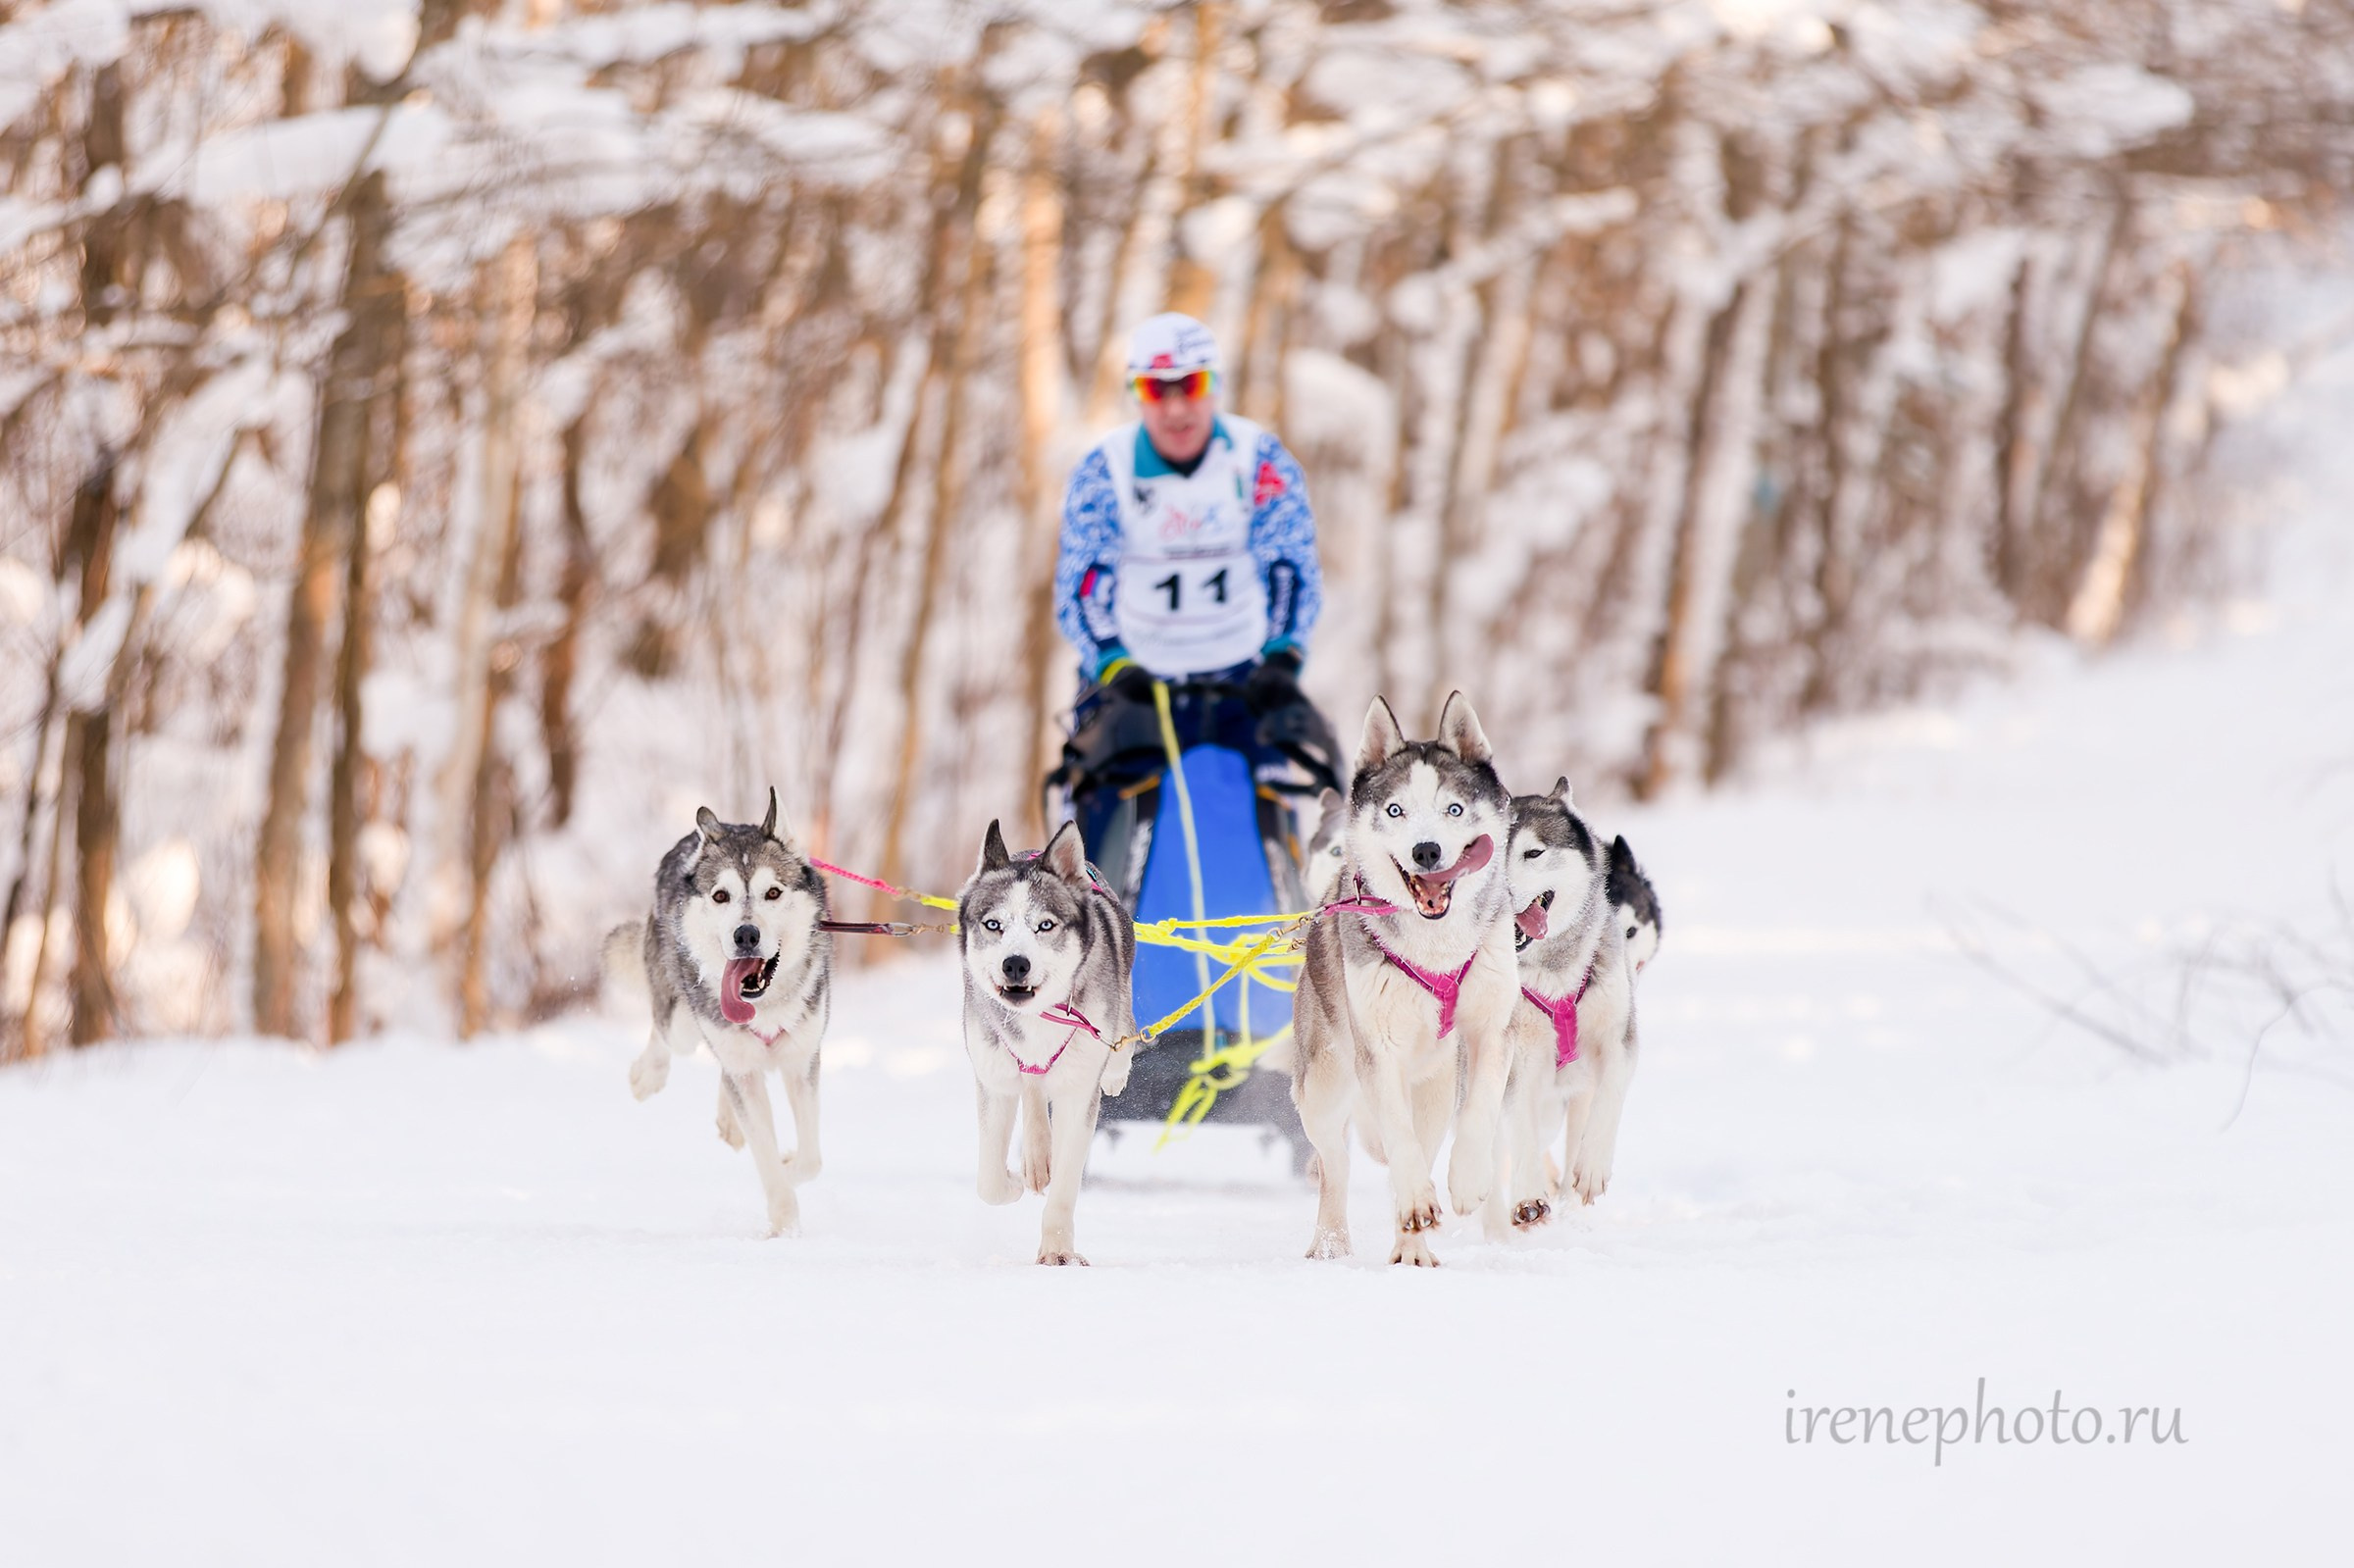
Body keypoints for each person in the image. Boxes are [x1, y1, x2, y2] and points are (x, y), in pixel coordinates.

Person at [1052, 313, 1323, 724]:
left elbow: (1290, 565)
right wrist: (1112, 661)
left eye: (1191, 385)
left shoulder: (1260, 459)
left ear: (1216, 385)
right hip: (1131, 680)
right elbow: (1084, 583)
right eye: (1156, 390)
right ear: (1136, 393)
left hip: (1243, 675)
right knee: (1099, 780)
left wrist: (1282, 654)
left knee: (1309, 771)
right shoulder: (1104, 470)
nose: (1176, 409)